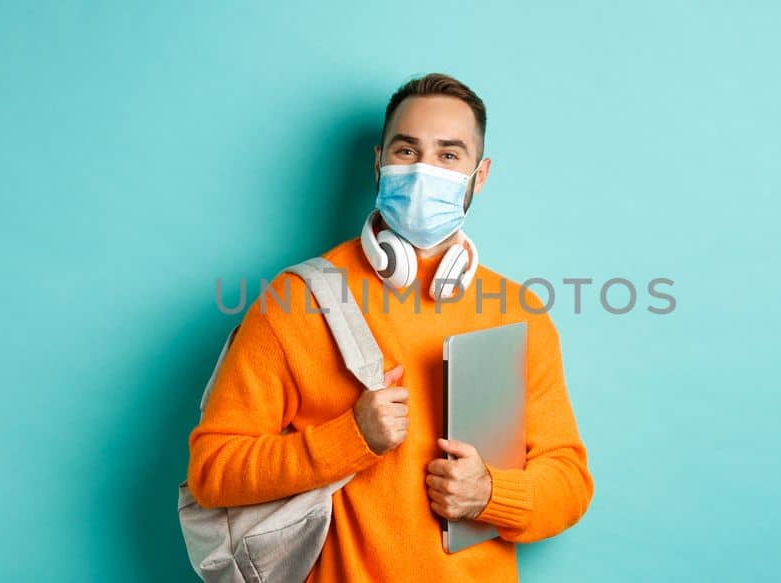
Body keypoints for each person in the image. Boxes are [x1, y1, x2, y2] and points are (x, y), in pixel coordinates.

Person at [187, 73, 593, 581]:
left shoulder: (519, 311)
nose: (425, 171)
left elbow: (569, 481)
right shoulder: (294, 301)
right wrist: (350, 438)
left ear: (479, 174)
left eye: (449, 155)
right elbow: (212, 472)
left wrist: (491, 494)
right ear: (379, 161)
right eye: (407, 151)